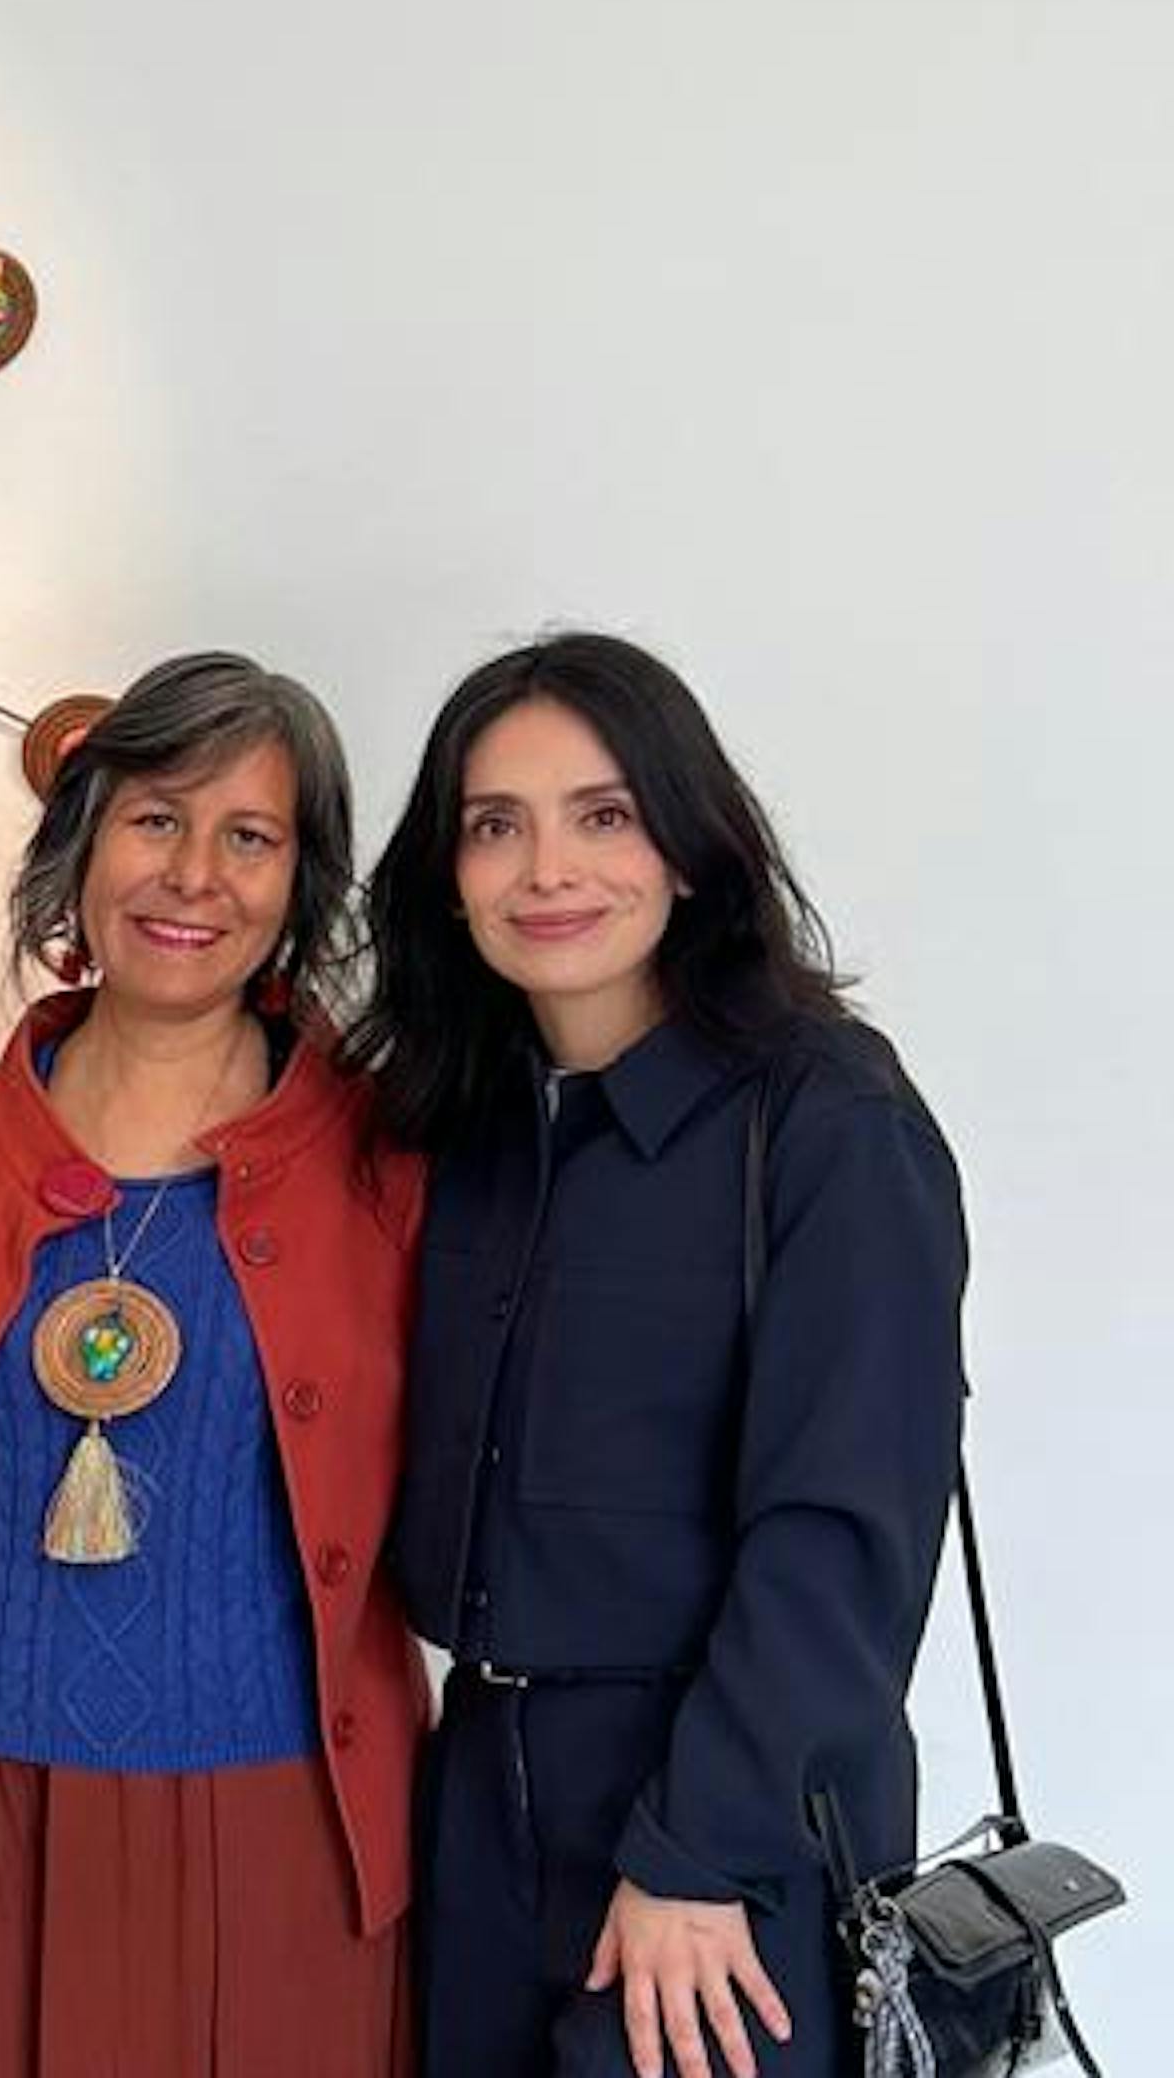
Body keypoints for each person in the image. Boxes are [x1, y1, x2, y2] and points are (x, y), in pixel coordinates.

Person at [0, 653, 427, 2076]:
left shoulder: (388, 1161)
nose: (194, 876)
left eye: (249, 837)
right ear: (82, 846)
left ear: (299, 887)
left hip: (283, 1826)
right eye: (156, 819)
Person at [348, 631, 966, 2078]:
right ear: (449, 874)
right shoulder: (464, 1128)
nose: (547, 870)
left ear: (688, 848)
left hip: (724, 1823)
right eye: (496, 826)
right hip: (477, 1803)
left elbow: (843, 1538)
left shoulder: (826, 1122)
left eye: (604, 815)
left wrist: (700, 1848)